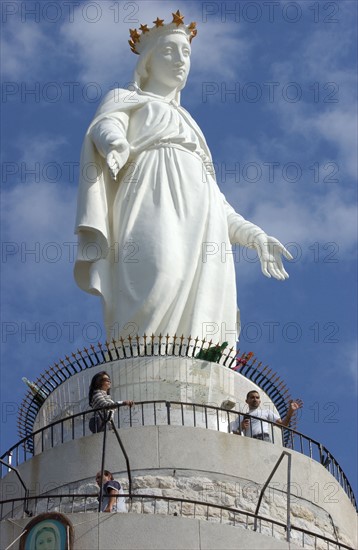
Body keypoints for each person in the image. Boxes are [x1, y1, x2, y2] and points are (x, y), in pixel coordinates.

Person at [74, 11, 292, 349]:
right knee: (161, 272)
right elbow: (106, 125)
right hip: (149, 188)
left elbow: (216, 199)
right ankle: (139, 356)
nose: (179, 60)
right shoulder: (125, 98)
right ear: (147, 61)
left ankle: (198, 358)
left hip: (201, 210)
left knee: (207, 297)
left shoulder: (189, 123)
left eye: (186, 53)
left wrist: (255, 236)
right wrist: (114, 143)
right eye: (169, 51)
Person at [231, 390, 303, 442]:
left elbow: (284, 425)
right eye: (252, 397)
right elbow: (235, 435)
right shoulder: (242, 417)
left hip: (264, 438)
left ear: (260, 401)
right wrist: (241, 427)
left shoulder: (266, 412)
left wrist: (290, 411)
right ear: (247, 401)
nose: (255, 399)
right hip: (250, 441)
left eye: (257, 397)